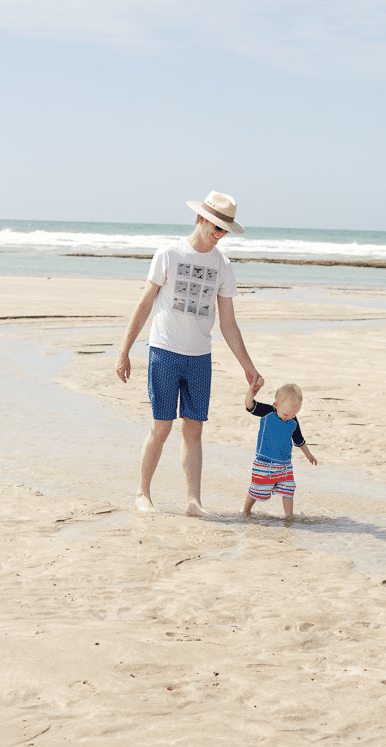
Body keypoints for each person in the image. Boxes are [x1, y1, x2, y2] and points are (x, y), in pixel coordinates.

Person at [116, 191, 263, 515]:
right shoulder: (169, 253)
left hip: (199, 358)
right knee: (162, 427)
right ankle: (143, 493)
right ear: (201, 219)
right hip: (165, 351)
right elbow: (144, 305)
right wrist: (124, 351)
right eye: (215, 226)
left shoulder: (222, 266)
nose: (219, 233)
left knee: (194, 429)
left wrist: (248, 368)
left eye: (224, 229)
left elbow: (229, 324)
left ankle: (193, 502)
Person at [242, 381, 317, 519]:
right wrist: (251, 392)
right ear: (276, 405)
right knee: (257, 489)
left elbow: (299, 440)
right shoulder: (268, 412)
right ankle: (245, 511)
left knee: (288, 489)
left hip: (285, 466)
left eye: (294, 413)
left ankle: (289, 515)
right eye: (287, 413)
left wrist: (308, 454)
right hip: (264, 463)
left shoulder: (293, 421)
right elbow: (249, 405)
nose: (290, 417)